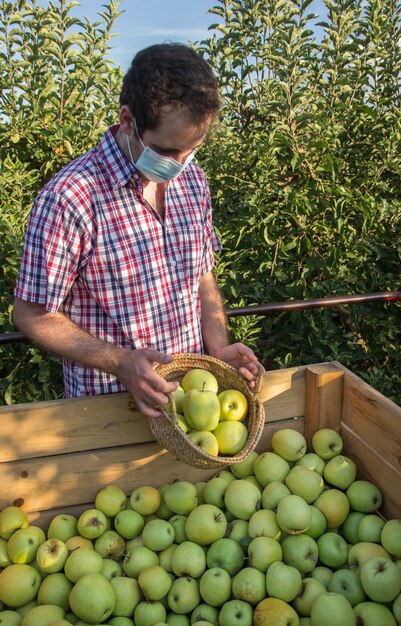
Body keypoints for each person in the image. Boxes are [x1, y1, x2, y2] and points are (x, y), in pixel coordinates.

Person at [13, 43, 260, 417]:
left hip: (193, 403)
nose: (179, 164)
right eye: (165, 151)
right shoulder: (70, 198)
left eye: (191, 150)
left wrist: (218, 346)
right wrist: (120, 361)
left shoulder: (193, 181)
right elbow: (30, 313)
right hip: (113, 410)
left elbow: (202, 274)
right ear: (127, 120)